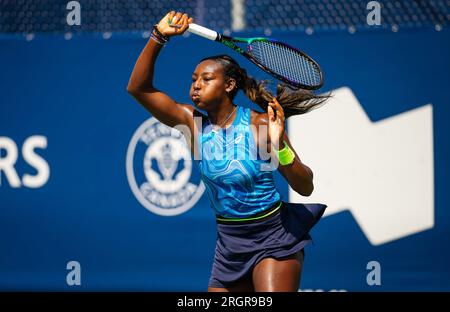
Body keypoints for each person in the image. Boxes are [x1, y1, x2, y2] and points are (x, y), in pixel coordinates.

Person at [127, 11, 329, 292]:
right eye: (194, 79)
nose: (196, 85)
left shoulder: (259, 125)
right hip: (229, 246)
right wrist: (158, 36)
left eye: (206, 79)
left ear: (229, 85)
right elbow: (138, 89)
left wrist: (279, 144)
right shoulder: (192, 125)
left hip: (273, 238)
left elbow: (304, 186)